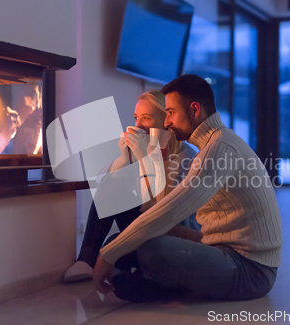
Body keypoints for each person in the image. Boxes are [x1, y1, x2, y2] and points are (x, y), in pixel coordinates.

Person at [92, 74, 283, 302]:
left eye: (170, 112)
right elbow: (164, 210)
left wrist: (107, 256)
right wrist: (156, 159)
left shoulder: (220, 148)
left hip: (251, 270)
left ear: (194, 110)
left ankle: (172, 289)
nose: (166, 122)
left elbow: (170, 212)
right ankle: (166, 284)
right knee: (122, 241)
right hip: (221, 248)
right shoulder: (213, 144)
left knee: (152, 251)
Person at [64, 90, 199, 282]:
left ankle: (141, 272)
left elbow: (161, 209)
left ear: (165, 122)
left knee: (114, 245)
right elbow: (104, 185)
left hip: (173, 233)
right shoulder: (143, 149)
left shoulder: (186, 157)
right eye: (136, 118)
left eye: (146, 118)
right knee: (114, 186)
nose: (137, 125)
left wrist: (145, 159)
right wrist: (125, 158)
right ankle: (86, 258)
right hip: (147, 227)